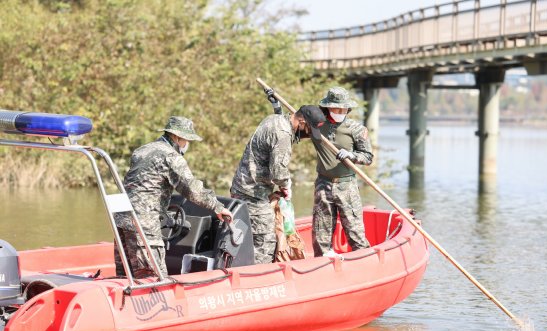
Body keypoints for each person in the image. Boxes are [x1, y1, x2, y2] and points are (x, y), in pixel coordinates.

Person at [114, 116, 233, 278]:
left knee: (125, 276)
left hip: (121, 219)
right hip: (144, 223)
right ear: (177, 137)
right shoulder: (171, 156)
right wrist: (218, 207)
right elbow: (191, 190)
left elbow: (144, 186)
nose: (187, 144)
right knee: (154, 277)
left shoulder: (143, 150)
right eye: (187, 140)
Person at [230, 104, 326, 264]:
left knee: (249, 235)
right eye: (308, 130)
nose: (306, 135)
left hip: (242, 186)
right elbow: (278, 172)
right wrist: (286, 186)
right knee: (266, 240)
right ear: (301, 121)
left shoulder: (274, 119)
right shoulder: (283, 135)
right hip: (254, 194)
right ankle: (259, 278)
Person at [311, 87, 374, 257]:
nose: (340, 112)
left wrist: (352, 156)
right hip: (323, 184)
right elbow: (294, 123)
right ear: (328, 108)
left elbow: (368, 157)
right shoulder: (317, 126)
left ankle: (364, 263)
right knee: (321, 234)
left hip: (347, 185)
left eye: (343, 109)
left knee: (355, 231)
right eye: (336, 108)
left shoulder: (356, 129)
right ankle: (322, 267)